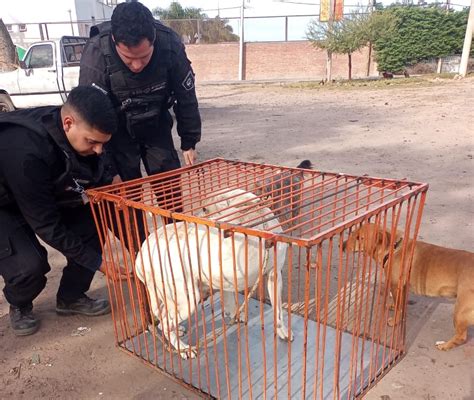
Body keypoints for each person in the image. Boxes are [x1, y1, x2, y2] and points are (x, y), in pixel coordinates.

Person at [0, 86, 127, 337]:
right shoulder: (25, 150)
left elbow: (102, 157)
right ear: (68, 123)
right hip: (4, 202)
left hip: (42, 190)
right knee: (30, 266)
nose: (98, 150)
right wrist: (99, 263)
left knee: (92, 231)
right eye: (92, 142)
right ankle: (20, 303)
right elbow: (46, 225)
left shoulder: (81, 130)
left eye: (103, 143)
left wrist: (111, 174)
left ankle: (70, 297)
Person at [79, 1, 202, 187]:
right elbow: (90, 117)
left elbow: (186, 96)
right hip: (116, 129)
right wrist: (107, 169)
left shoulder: (169, 45)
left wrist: (189, 141)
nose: (136, 66)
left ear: (153, 40)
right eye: (128, 59)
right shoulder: (96, 53)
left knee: (169, 185)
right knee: (125, 192)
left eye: (144, 57)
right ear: (114, 40)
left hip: (155, 120)